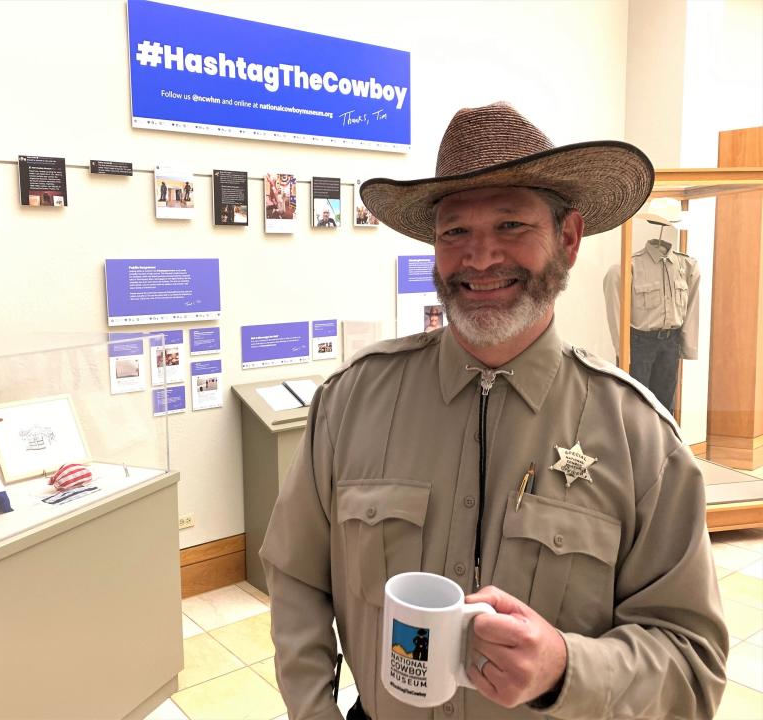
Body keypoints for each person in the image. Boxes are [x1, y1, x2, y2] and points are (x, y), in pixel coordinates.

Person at [260, 102, 727, 720]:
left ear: (567, 238)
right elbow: (297, 578)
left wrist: (567, 666)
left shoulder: (641, 440)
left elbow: (692, 666)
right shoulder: (350, 402)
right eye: (455, 232)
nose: (479, 259)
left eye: (510, 225)